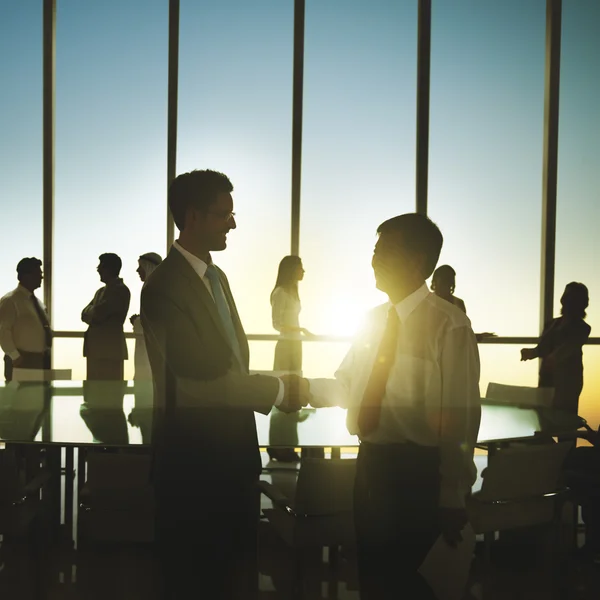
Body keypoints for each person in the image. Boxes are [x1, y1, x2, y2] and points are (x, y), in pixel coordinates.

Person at [285, 214, 481, 599]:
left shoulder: (449, 326)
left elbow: (460, 417)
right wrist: (300, 389)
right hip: (371, 471)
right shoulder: (371, 321)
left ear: (417, 260)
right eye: (374, 250)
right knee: (374, 579)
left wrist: (452, 493)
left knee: (413, 585)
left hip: (419, 478)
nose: (373, 259)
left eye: (383, 250)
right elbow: (347, 385)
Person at [140, 169, 307, 599]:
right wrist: (279, 390)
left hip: (234, 457)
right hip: (192, 464)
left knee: (235, 576)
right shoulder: (162, 287)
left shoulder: (218, 278)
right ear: (192, 216)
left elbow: (230, 362)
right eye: (223, 215)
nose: (233, 223)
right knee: (193, 579)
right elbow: (197, 379)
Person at [268, 255, 313, 462]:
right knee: (284, 391)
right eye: (300, 267)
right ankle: (278, 446)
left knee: (293, 392)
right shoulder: (280, 293)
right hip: (286, 346)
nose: (303, 271)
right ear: (291, 270)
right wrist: (301, 329)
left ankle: (289, 445)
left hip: (296, 345)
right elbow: (277, 324)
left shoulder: (293, 293)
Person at [520, 282, 591, 414]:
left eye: (570, 296)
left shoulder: (582, 328)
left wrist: (554, 357)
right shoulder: (551, 324)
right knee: (543, 421)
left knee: (565, 425)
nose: (565, 299)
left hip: (567, 383)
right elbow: (542, 348)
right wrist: (530, 353)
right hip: (547, 379)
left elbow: (570, 346)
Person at [0, 257, 52, 382]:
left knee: (36, 398)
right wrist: (15, 357)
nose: (41, 277)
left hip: (40, 360)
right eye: (38, 274)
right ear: (25, 276)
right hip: (21, 360)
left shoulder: (38, 303)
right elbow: (3, 331)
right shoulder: (10, 300)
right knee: (20, 399)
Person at [81, 253, 131, 381]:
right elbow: (84, 314)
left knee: (111, 394)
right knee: (94, 394)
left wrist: (92, 312)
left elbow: (98, 314)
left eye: (101, 266)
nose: (98, 269)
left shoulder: (121, 290)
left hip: (110, 352)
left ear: (111, 268)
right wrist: (93, 311)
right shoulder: (100, 292)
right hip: (96, 351)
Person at [130, 252, 163, 381]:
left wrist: (136, 321)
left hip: (152, 348)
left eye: (141, 266)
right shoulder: (152, 286)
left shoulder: (156, 288)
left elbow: (154, 321)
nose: (138, 270)